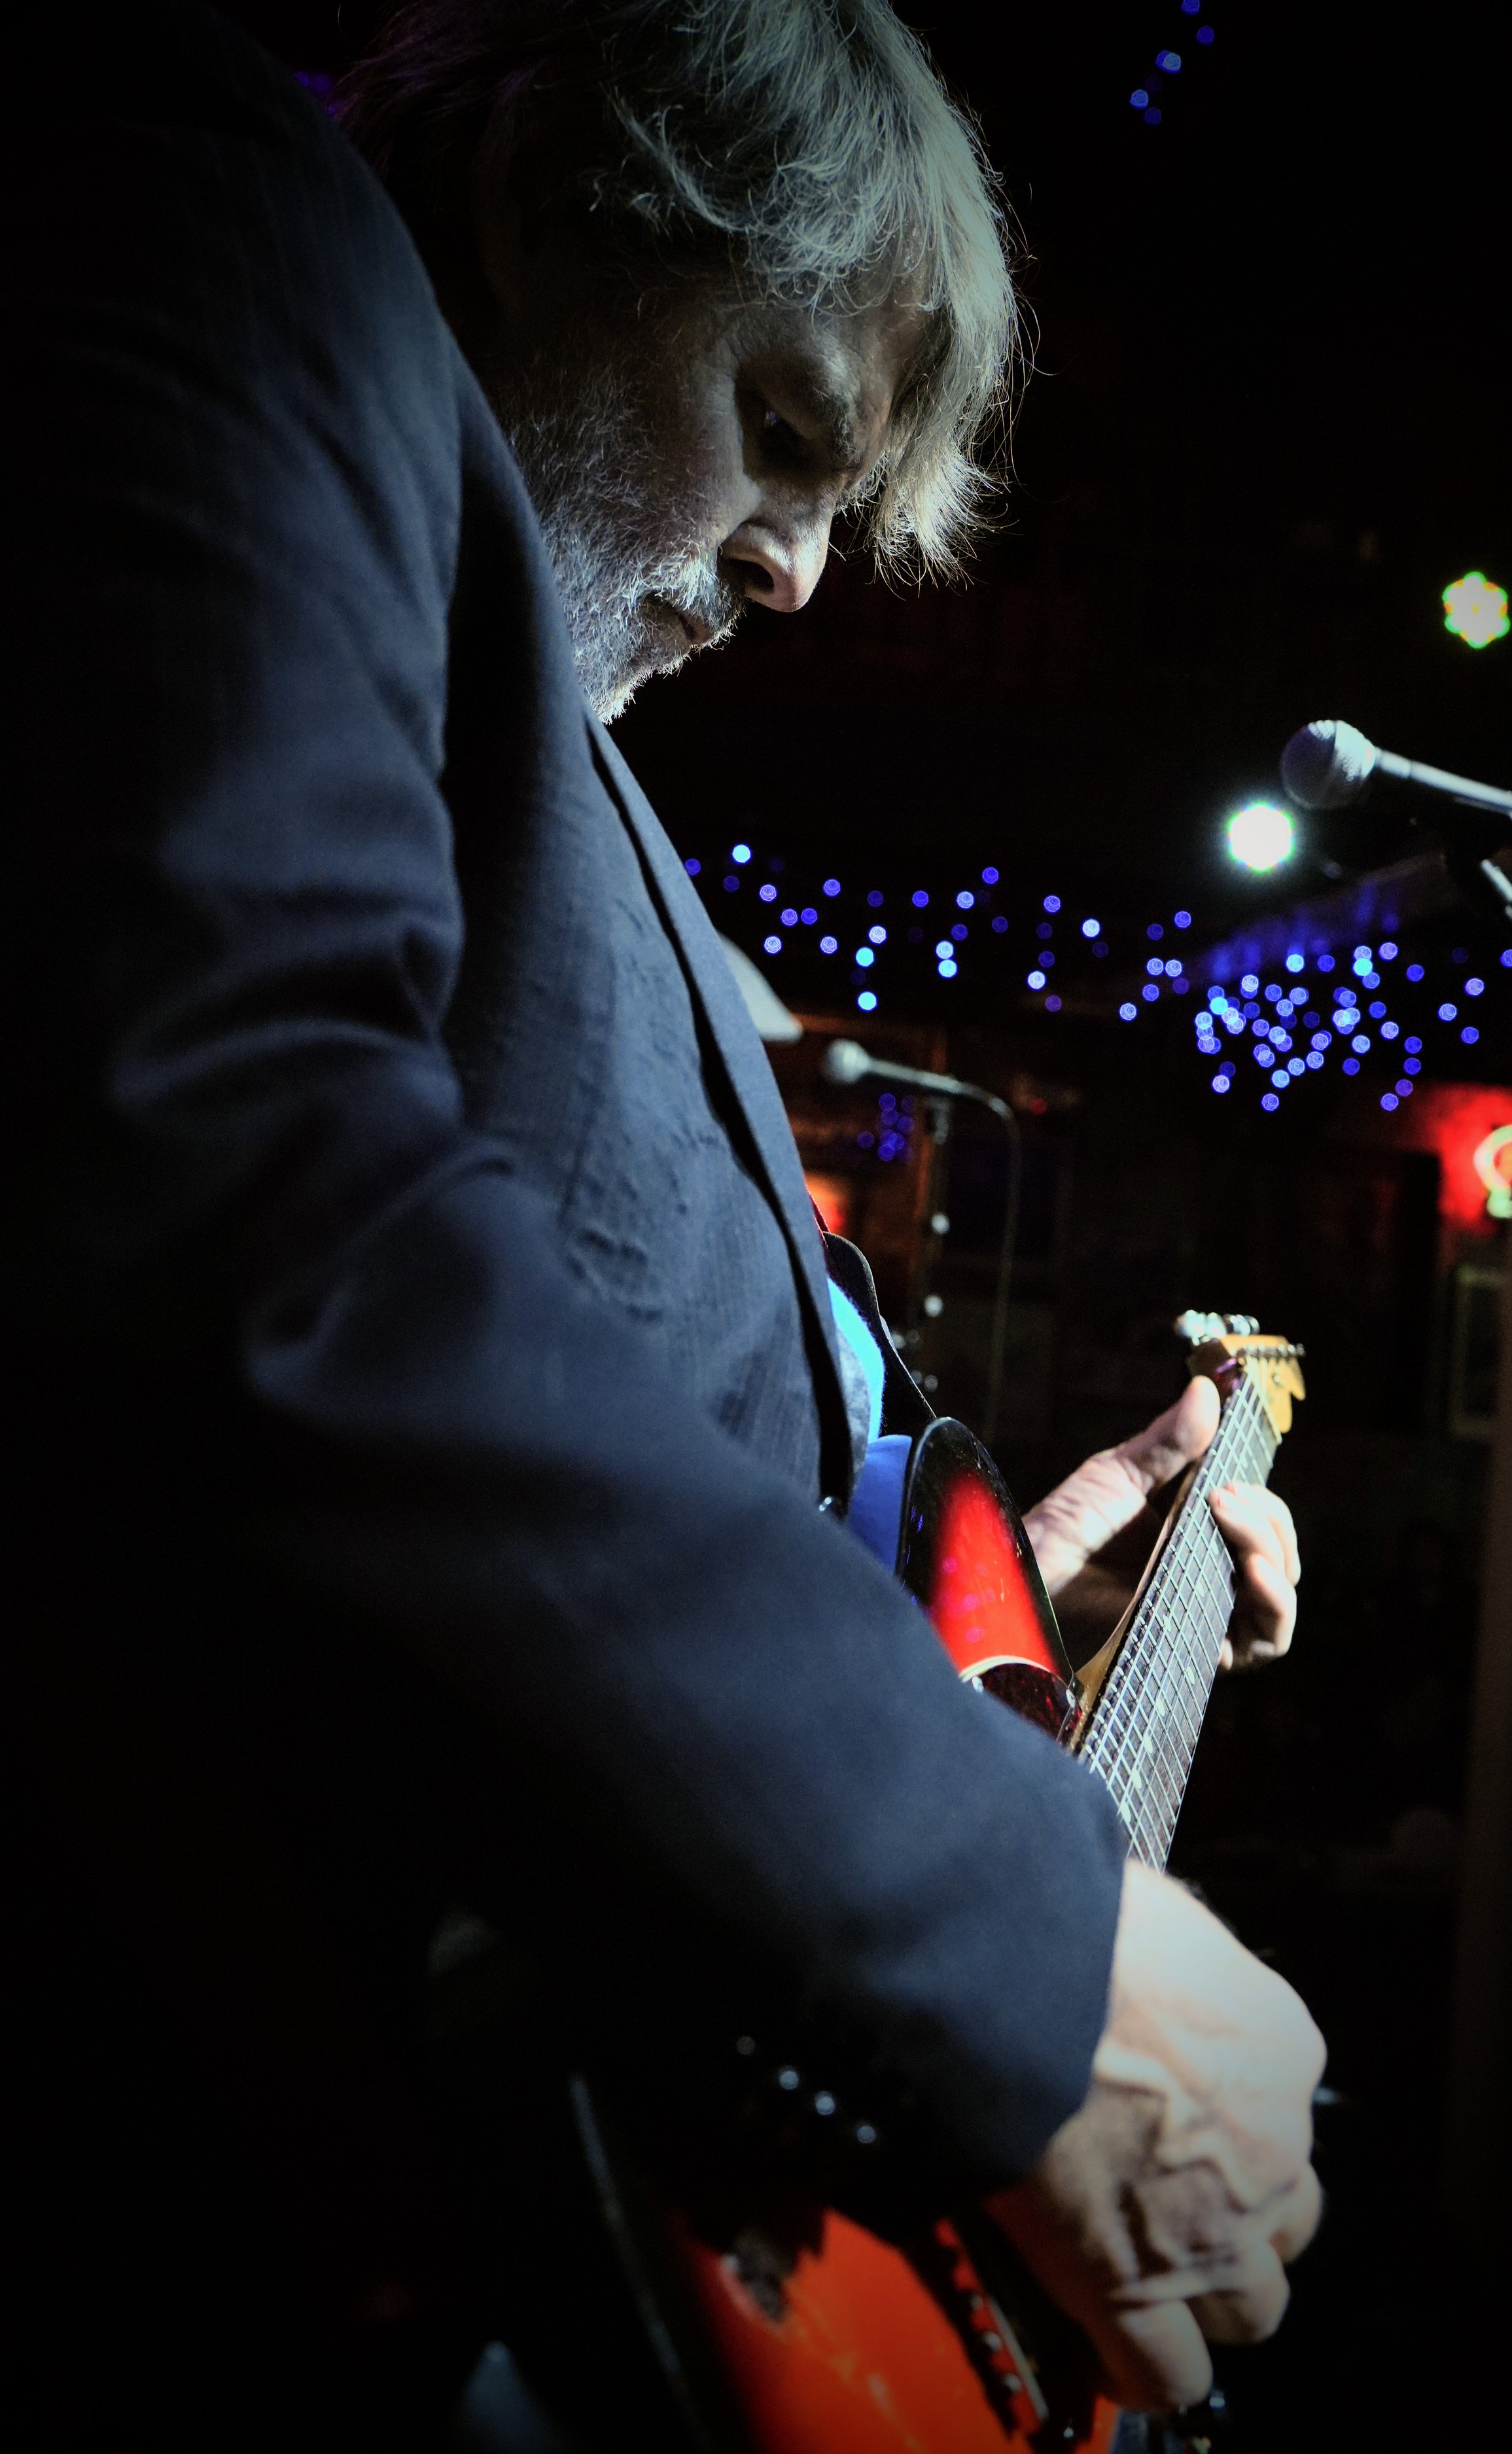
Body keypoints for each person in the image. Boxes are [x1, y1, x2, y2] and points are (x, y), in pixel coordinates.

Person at [3, 3, 1320, 2445]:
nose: (807, 572)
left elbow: (576, 1395)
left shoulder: (544, 757)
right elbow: (229, 1174)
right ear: (560, 211)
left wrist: (999, 1651)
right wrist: (1006, 1936)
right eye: (790, 428)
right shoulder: (221, 215)